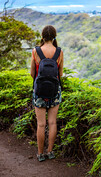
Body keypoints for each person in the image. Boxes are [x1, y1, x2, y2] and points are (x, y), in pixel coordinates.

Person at [30, 25, 63, 162]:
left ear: (42, 36)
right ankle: (50, 152)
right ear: (54, 36)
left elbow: (32, 73)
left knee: (41, 124)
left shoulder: (36, 51)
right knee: (53, 122)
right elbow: (60, 74)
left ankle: (40, 154)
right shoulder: (59, 52)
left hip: (39, 91)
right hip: (55, 90)